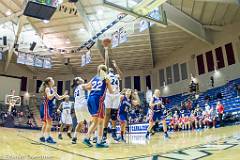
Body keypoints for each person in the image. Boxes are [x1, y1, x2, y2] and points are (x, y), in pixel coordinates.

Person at [82, 64, 113, 148]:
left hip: (90, 99)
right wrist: (108, 83)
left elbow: (87, 87)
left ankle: (87, 138)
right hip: (98, 100)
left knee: (96, 122)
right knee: (100, 123)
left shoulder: (94, 78)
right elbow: (111, 91)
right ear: (105, 71)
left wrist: (93, 89)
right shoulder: (106, 78)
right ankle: (99, 142)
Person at [39, 77, 67, 144]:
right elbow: (49, 97)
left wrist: (64, 95)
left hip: (49, 107)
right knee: (49, 123)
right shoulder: (47, 88)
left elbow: (59, 98)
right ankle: (48, 138)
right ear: (49, 82)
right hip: (46, 106)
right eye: (52, 80)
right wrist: (54, 92)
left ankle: (42, 137)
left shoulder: (52, 89)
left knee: (46, 123)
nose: (53, 81)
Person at [103, 68, 121, 141]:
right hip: (108, 95)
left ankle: (114, 132)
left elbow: (121, 75)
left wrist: (116, 66)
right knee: (107, 114)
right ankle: (104, 133)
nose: (111, 70)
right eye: (110, 70)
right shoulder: (106, 76)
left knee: (114, 114)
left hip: (116, 95)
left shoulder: (116, 76)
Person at [71, 77, 90, 144]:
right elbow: (90, 86)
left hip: (76, 107)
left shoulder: (75, 89)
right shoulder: (82, 85)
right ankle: (89, 137)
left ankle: (74, 138)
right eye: (80, 78)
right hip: (83, 105)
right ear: (78, 82)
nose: (82, 79)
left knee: (80, 123)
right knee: (91, 122)